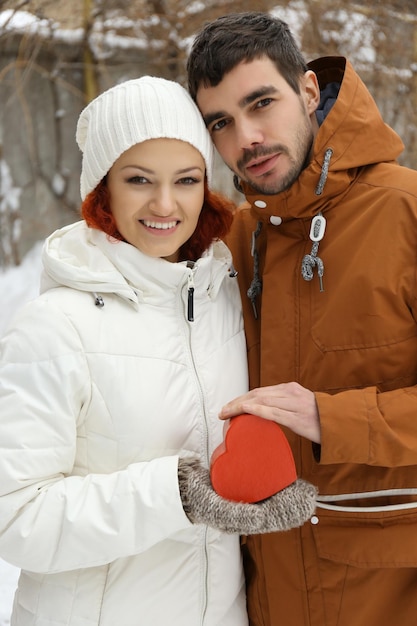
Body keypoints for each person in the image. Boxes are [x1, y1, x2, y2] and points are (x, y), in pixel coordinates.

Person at [0, 76, 316, 626]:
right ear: (103, 189)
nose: (165, 204)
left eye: (187, 180)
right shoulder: (53, 328)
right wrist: (176, 495)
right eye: (139, 179)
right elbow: (15, 517)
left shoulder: (225, 301)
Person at [187, 10, 417, 626]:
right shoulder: (231, 244)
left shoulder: (406, 213)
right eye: (222, 123)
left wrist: (333, 418)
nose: (248, 138)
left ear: (309, 91)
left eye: (262, 102)